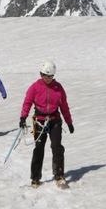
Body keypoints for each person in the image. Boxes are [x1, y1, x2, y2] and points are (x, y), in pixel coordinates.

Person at [19, 60, 74, 188]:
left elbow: (64, 106)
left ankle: (59, 175)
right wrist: (23, 117)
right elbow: (27, 102)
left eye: (50, 76)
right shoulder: (35, 87)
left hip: (55, 120)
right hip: (39, 121)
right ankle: (35, 178)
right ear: (41, 74)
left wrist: (69, 122)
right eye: (45, 75)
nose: (48, 78)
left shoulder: (58, 88)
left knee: (57, 147)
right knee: (39, 149)